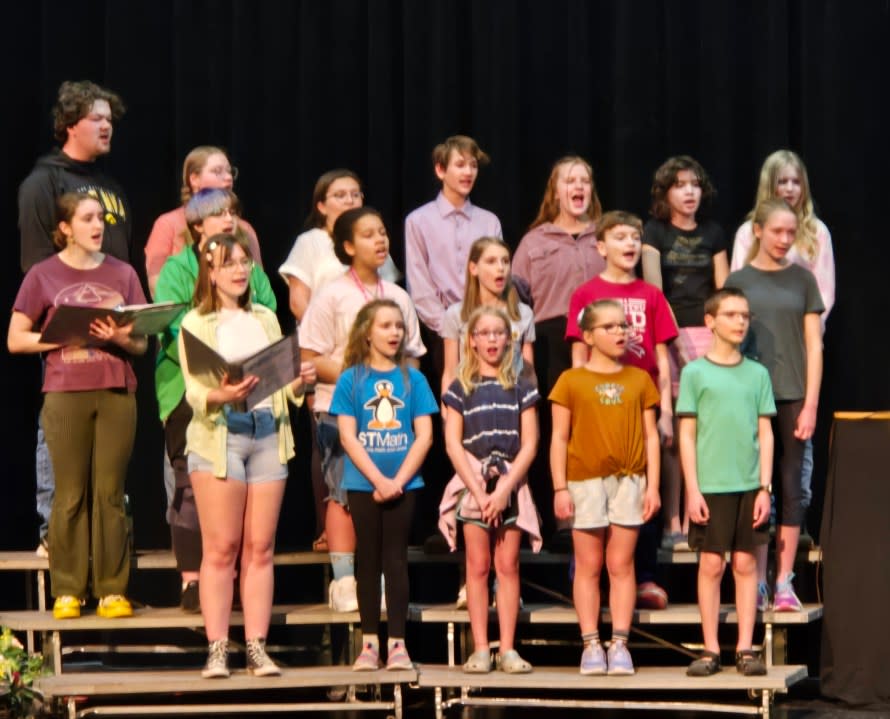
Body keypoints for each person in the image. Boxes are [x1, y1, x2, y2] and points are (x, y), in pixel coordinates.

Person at [178, 233, 315, 678]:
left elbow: (281, 384)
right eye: (229, 264)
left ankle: (257, 646)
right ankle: (218, 647)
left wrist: (299, 380)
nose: (240, 270)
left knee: (260, 548)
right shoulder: (196, 322)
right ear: (211, 273)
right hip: (221, 436)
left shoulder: (266, 317)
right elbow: (196, 392)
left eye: (245, 262)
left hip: (267, 434)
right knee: (221, 549)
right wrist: (223, 393)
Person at [8, 192, 147, 619]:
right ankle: (67, 588)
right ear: (65, 228)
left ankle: (111, 589)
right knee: (69, 493)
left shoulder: (122, 273)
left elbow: (141, 341)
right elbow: (16, 339)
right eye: (87, 218)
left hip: (115, 390)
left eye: (100, 218)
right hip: (65, 392)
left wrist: (121, 338)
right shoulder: (42, 275)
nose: (97, 225)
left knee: (109, 492)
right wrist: (61, 338)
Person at [17, 80, 130, 557]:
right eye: (96, 118)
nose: (106, 126)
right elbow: (38, 268)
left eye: (110, 119)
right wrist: (71, 316)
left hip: (112, 332)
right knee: (59, 435)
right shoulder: (44, 183)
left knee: (107, 454)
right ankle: (53, 533)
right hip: (66, 335)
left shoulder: (109, 185)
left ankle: (105, 546)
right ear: (69, 125)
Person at [155, 188, 277, 612]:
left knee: (251, 513)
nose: (229, 219)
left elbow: (267, 306)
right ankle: (194, 578)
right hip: (193, 386)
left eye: (232, 211)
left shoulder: (249, 266)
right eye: (218, 214)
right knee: (192, 487)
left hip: (256, 399)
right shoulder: (178, 268)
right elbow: (172, 320)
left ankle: (239, 588)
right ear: (196, 227)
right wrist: (215, 368)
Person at [301, 207, 426, 612]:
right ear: (348, 246)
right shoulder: (333, 294)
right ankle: (344, 581)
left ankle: (386, 577)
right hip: (341, 408)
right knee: (343, 491)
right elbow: (310, 356)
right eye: (369, 234)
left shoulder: (398, 296)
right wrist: (362, 379)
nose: (380, 240)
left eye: (383, 232)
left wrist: (400, 393)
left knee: (388, 489)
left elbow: (413, 359)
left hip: (389, 414)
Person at [278, 169, 400, 553]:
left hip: (378, 365)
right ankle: (328, 526)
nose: (350, 200)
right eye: (340, 195)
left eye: (356, 194)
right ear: (321, 204)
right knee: (328, 444)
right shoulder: (312, 242)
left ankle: (367, 531)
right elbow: (298, 300)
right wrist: (322, 336)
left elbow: (386, 294)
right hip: (328, 357)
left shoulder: (375, 243)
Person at [565, 211, 677, 610]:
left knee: (640, 494)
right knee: (590, 495)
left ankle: (643, 577)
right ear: (601, 247)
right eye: (620, 237)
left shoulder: (651, 295)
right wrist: (581, 410)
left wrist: (665, 412)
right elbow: (578, 355)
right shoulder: (585, 294)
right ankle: (585, 575)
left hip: (638, 405)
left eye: (635, 237)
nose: (629, 244)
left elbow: (662, 359)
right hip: (598, 408)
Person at [550, 299, 661, 675]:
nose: (620, 333)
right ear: (589, 335)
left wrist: (654, 486)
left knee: (621, 563)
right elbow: (559, 438)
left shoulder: (639, 379)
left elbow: (650, 437)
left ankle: (620, 643)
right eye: (610, 327)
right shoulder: (571, 380)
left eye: (623, 326)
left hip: (629, 479)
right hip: (584, 481)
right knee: (589, 563)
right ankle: (590, 644)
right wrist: (559, 488)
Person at [730, 150, 834, 541]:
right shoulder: (747, 233)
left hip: (799, 350)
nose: (790, 188)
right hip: (755, 355)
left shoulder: (816, 232)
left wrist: (803, 332)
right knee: (753, 451)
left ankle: (794, 525)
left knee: (796, 458)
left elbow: (825, 292)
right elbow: (739, 289)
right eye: (782, 182)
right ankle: (755, 534)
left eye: (796, 181)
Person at [725, 199, 823, 613]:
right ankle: (757, 579)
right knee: (754, 485)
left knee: (790, 485)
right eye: (777, 231)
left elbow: (814, 343)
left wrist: (811, 403)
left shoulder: (802, 281)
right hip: (749, 394)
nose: (785, 240)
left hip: (792, 392)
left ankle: (784, 579)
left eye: (791, 232)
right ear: (759, 231)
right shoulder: (739, 279)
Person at [330, 300, 438, 671]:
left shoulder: (414, 380)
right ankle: (369, 643)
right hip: (363, 484)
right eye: (385, 326)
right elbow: (348, 436)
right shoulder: (351, 380)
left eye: (398, 326)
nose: (394, 333)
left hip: (405, 485)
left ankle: (397, 644)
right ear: (367, 332)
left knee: (396, 559)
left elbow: (424, 436)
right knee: (368, 561)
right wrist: (378, 480)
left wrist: (397, 482)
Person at [439, 306, 541, 675]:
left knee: (507, 565)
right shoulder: (460, 388)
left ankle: (508, 648)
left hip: (510, 482)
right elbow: (452, 443)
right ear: (472, 340)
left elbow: (530, 443)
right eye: (485, 333)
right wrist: (481, 495)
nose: (493, 339)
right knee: (478, 566)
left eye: (500, 333)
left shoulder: (521, 385)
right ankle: (482, 647)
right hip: (474, 483)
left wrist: (504, 491)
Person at [679, 287, 775, 677]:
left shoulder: (757, 373)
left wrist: (765, 487)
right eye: (732, 314)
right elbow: (687, 434)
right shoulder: (695, 372)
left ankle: (746, 648)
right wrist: (692, 488)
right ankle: (710, 648)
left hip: (749, 485)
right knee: (711, 565)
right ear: (711, 321)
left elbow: (765, 432)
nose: (740, 322)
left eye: (745, 315)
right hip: (711, 486)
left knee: (747, 564)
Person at [641, 156, 729, 551]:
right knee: (673, 432)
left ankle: (710, 514)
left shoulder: (713, 232)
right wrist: (675, 341)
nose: (689, 191)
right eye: (680, 185)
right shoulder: (654, 232)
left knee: (710, 429)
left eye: (695, 184)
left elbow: (723, 289)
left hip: (710, 332)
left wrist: (721, 334)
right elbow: (656, 292)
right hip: (669, 336)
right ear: (666, 193)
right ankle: (672, 520)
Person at [405, 135, 502, 380]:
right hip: (440, 332)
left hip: (485, 328)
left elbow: (498, 276)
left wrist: (481, 324)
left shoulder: (489, 221)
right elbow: (419, 283)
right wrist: (447, 326)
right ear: (440, 170)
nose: (468, 172)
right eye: (460, 165)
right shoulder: (418, 220)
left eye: (473, 165)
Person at [512, 155, 605, 392]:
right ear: (555, 192)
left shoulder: (606, 237)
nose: (578, 186)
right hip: (548, 343)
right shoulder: (533, 241)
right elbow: (514, 303)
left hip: (599, 339)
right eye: (570, 181)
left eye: (585, 181)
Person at [145, 146, 263, 297]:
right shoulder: (168, 224)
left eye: (229, 171)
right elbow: (157, 286)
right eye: (217, 171)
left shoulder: (244, 228)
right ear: (194, 179)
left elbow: (258, 287)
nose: (228, 178)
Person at [441, 236, 535, 397]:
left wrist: (532, 414)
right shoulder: (456, 314)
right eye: (491, 261)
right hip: (471, 401)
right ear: (473, 268)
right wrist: (447, 416)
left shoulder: (523, 313)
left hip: (511, 401)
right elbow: (450, 372)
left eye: (505, 261)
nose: (501, 268)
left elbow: (528, 373)